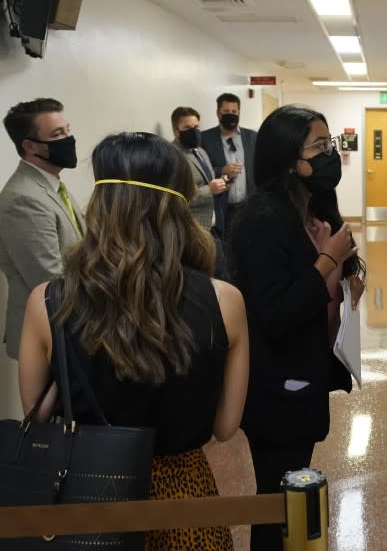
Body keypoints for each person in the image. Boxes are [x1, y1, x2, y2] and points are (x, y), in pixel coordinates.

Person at [17, 132, 250, 550]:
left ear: (100, 204)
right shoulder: (224, 300)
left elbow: (36, 418)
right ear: (177, 208)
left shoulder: (48, 301)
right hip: (185, 494)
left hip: (87, 495)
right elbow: (226, 426)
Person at [230, 104, 362, 551]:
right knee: (276, 501)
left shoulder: (314, 209)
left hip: (306, 373)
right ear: (289, 158)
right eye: (319, 147)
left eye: (331, 145)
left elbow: (329, 286)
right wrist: (328, 260)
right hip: (275, 386)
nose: (330, 156)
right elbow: (276, 311)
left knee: (291, 494)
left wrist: (347, 286)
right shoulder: (261, 219)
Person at [0, 98, 83, 361]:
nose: (69, 139)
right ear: (30, 146)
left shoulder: (54, 186)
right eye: (58, 134)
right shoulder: (22, 198)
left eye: (68, 130)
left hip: (70, 329)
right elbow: (49, 280)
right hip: (49, 334)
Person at [171, 106, 230, 278]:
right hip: (193, 230)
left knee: (221, 274)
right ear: (176, 131)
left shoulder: (201, 152)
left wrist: (222, 182)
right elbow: (175, 196)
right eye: (188, 128)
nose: (194, 132)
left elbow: (207, 181)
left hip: (213, 226)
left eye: (196, 127)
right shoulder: (173, 156)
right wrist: (208, 190)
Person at [201, 93, 257, 239]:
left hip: (248, 207)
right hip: (221, 209)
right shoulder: (205, 139)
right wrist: (222, 170)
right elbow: (200, 173)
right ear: (218, 113)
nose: (230, 115)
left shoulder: (252, 137)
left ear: (239, 112)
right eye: (226, 112)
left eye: (234, 112)